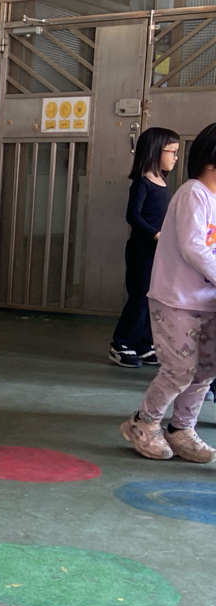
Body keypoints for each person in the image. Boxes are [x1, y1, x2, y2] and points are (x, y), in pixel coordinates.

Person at [120, 122, 216, 463]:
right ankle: (143, 423)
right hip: (177, 300)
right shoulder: (193, 194)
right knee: (179, 370)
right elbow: (194, 247)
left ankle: (181, 428)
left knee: (205, 369)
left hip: (207, 301)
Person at [109, 127, 181, 367]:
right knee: (139, 298)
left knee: (154, 298)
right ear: (155, 151)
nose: (175, 157)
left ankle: (143, 343)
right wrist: (157, 234)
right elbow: (133, 216)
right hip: (142, 251)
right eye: (172, 151)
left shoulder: (162, 182)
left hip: (159, 252)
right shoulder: (142, 183)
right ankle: (121, 344)